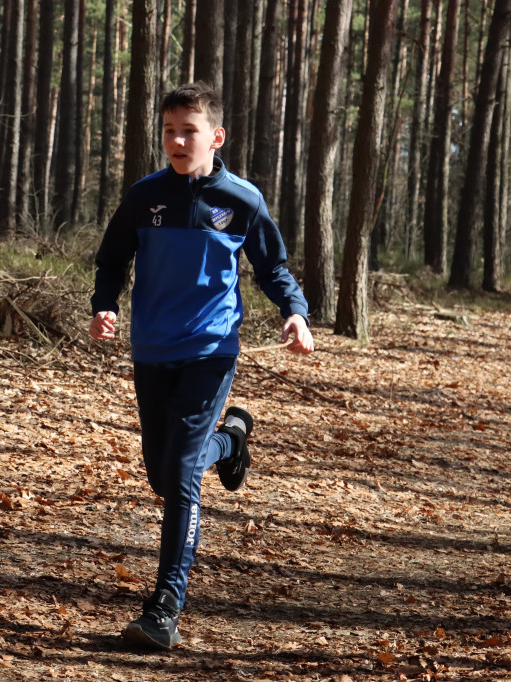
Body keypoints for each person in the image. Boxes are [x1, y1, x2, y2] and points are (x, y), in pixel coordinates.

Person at [88, 82, 315, 650]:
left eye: (188, 130)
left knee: (184, 475)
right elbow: (113, 258)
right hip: (152, 351)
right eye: (168, 131)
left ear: (215, 136)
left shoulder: (242, 200)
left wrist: (294, 312)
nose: (176, 140)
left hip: (211, 351)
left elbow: (272, 266)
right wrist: (103, 306)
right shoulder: (145, 197)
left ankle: (165, 606)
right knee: (163, 477)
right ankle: (232, 440)